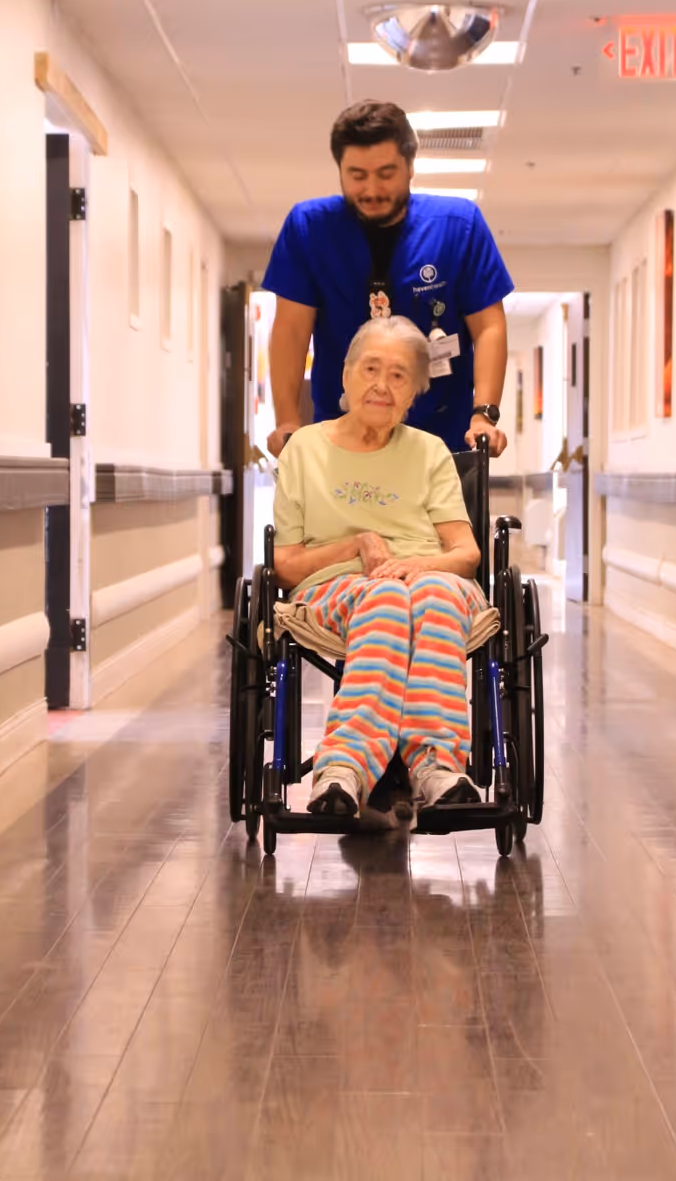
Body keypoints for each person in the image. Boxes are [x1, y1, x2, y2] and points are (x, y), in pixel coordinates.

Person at [272, 315, 488, 817]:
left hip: (431, 581)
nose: (382, 386)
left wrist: (419, 565)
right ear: (345, 376)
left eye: (399, 376)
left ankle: (437, 766)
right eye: (371, 368)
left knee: (426, 593)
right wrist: (356, 545)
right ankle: (344, 768)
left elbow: (467, 554)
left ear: (414, 392)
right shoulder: (303, 449)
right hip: (332, 589)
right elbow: (285, 567)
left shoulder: (430, 451)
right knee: (386, 596)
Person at [263, 99, 512, 459]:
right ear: (340, 170)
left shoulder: (459, 227)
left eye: (386, 173)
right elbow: (291, 331)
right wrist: (287, 421)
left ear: (410, 167)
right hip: (342, 435)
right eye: (357, 175)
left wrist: (484, 414)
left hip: (442, 436)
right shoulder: (309, 229)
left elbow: (489, 326)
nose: (372, 189)